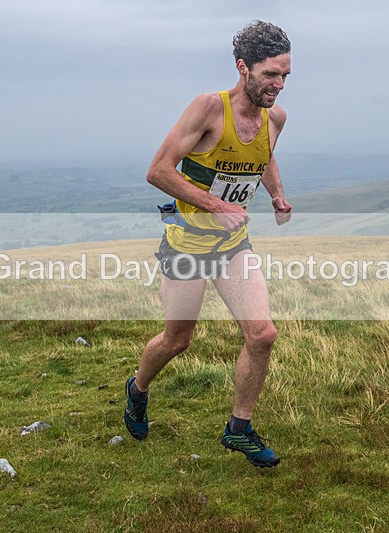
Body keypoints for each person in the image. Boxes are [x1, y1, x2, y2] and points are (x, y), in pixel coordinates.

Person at [124, 20, 292, 468]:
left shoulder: (275, 117)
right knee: (178, 340)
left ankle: (239, 429)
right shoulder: (208, 109)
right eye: (271, 75)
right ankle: (137, 389)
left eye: (285, 76)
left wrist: (275, 193)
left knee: (263, 335)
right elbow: (158, 170)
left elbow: (265, 155)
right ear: (244, 68)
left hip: (234, 247)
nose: (279, 85)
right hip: (186, 245)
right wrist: (216, 205)